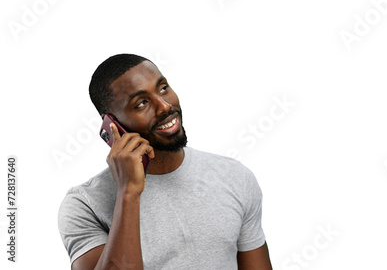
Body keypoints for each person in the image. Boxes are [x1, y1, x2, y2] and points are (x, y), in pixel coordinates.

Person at [58, 54, 272, 269]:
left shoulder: (235, 177)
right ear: (112, 124)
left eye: (163, 88)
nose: (165, 107)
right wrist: (128, 192)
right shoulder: (84, 205)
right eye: (142, 103)